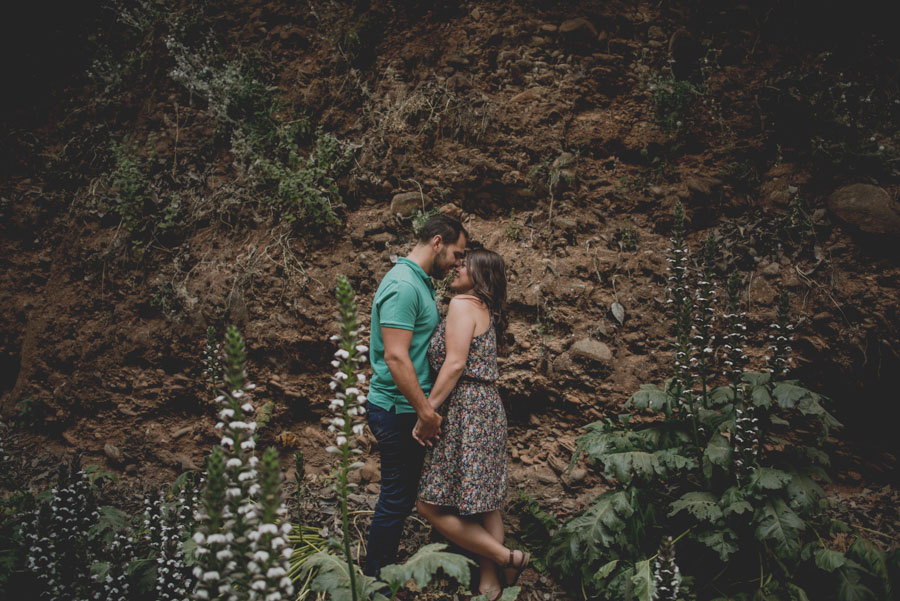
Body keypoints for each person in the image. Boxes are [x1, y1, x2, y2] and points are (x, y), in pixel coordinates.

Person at [413, 249, 529, 601]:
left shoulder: (463, 304)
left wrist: (426, 413)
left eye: (466, 264)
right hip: (486, 407)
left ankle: (507, 558)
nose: (457, 266)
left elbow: (454, 365)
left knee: (428, 505)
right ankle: (492, 581)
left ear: (481, 276)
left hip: (467, 408)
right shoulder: (483, 308)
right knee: (483, 502)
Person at [364, 214, 468, 577]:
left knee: (404, 496)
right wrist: (426, 412)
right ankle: (374, 580)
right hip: (397, 409)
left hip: (406, 407)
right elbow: (395, 356)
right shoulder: (404, 286)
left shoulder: (418, 282)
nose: (459, 263)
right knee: (396, 498)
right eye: (457, 254)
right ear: (437, 242)